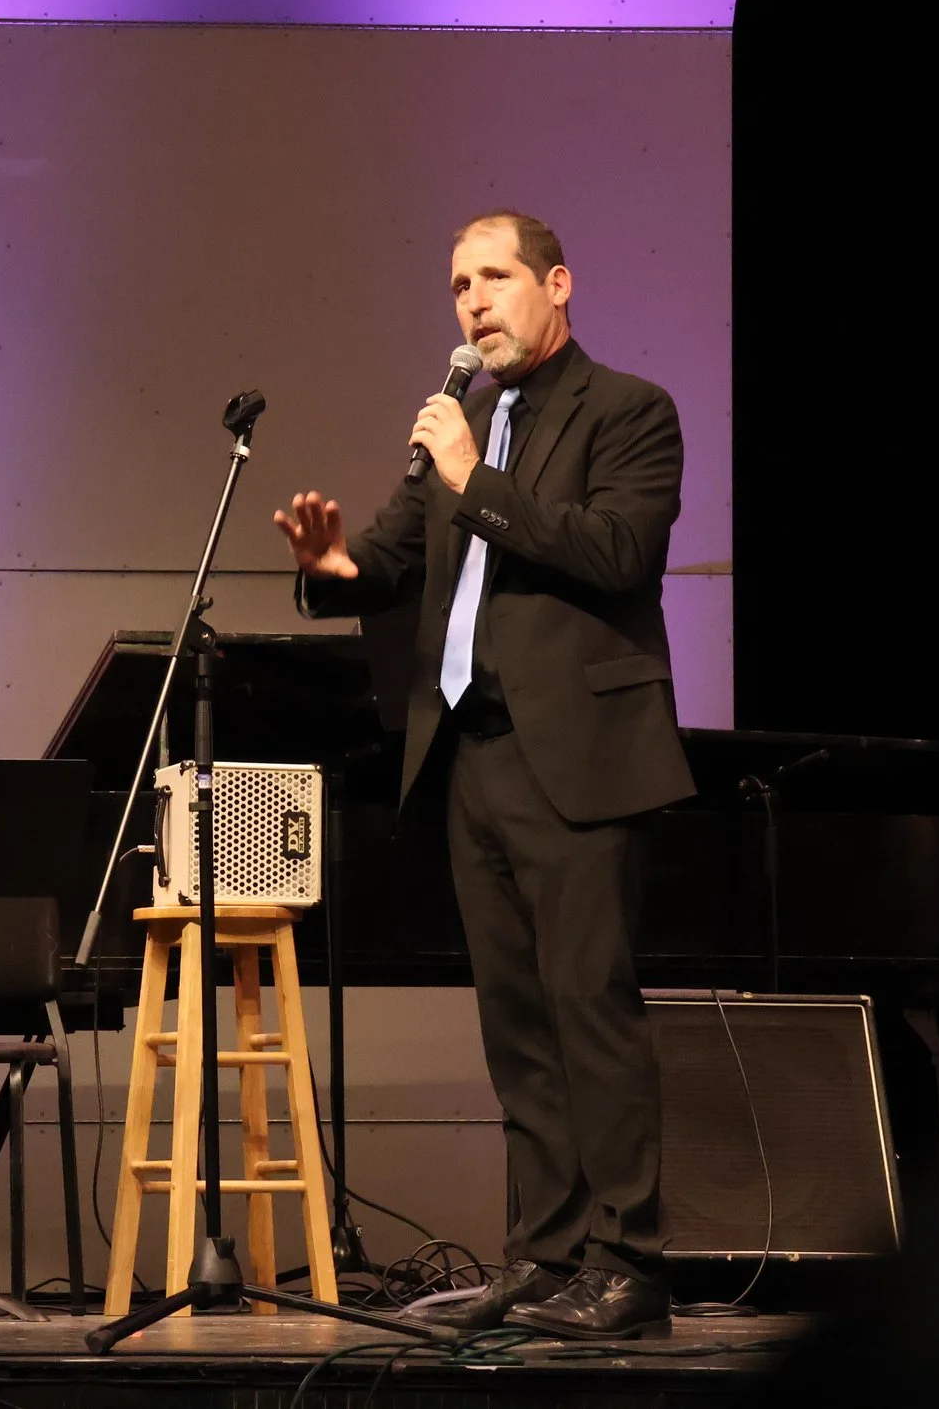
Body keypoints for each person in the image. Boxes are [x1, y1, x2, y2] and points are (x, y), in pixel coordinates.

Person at [273, 211, 693, 1340]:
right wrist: (330, 566)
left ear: (556, 283)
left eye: (495, 277)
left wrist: (472, 475)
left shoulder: (629, 409)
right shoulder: (459, 425)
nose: (472, 301)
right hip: (471, 753)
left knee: (588, 1010)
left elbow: (615, 551)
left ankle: (629, 1260)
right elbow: (392, 555)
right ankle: (549, 1252)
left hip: (581, 758)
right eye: (458, 284)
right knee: (515, 1022)